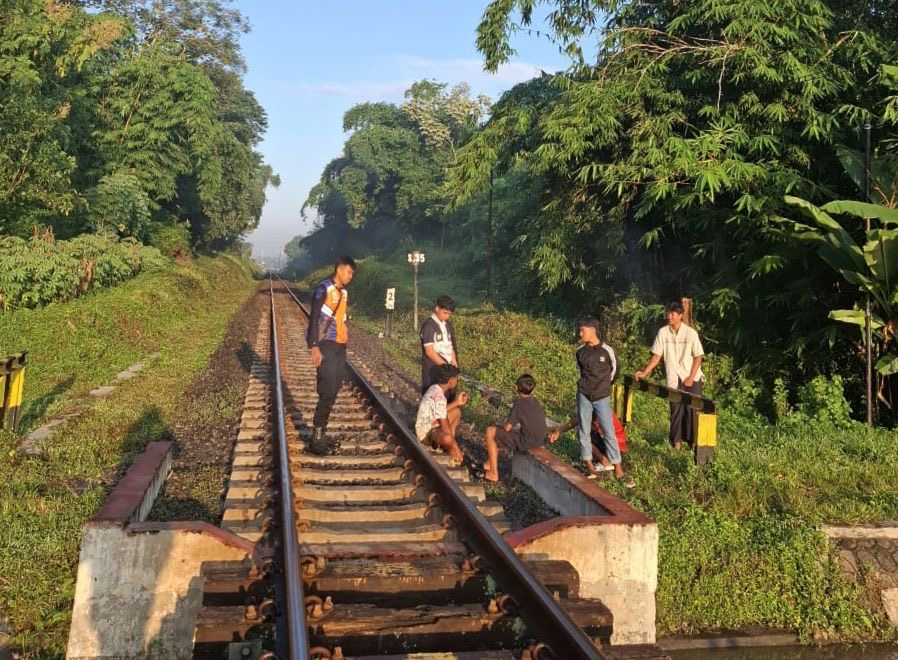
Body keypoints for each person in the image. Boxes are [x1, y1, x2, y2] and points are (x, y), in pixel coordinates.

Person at [634, 300, 705, 450]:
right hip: (674, 377)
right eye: (668, 313)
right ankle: (677, 446)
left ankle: (693, 445)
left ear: (680, 315)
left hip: (692, 376)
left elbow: (698, 357)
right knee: (676, 411)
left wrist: (691, 377)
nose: (669, 316)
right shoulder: (663, 332)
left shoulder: (690, 333)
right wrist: (644, 372)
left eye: (673, 314)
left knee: (692, 412)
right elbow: (656, 357)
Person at [572, 317, 634, 487]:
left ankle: (618, 469)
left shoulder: (607, 351)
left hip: (601, 397)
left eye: (582, 330)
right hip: (584, 395)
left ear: (592, 330)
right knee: (584, 430)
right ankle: (590, 467)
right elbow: (583, 371)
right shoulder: (580, 352)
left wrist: (603, 387)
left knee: (609, 431)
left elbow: (615, 371)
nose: (580, 333)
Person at [306, 255, 357, 455]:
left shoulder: (344, 293)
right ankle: (316, 437)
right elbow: (314, 317)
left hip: (339, 345)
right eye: (349, 272)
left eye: (352, 273)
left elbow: (341, 318)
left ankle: (322, 432)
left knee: (335, 387)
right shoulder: (323, 288)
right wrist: (314, 346)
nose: (351, 276)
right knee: (327, 388)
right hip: (325, 344)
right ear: (339, 269)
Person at [481, 374, 552, 483]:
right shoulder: (535, 401)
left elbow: (508, 427)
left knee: (490, 431)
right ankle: (488, 463)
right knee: (500, 434)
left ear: (516, 388)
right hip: (538, 439)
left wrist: (498, 425)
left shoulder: (518, 404)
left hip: (526, 442)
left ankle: (493, 473)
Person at [415, 364, 468, 463]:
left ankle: (449, 447)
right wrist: (457, 449)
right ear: (451, 381)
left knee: (456, 411)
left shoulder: (435, 388)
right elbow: (445, 426)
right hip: (426, 433)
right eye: (456, 379)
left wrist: (457, 402)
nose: (457, 381)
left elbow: (440, 410)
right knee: (448, 438)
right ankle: (450, 449)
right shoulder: (440, 398)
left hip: (430, 424)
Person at [420, 295, 459, 395]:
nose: (447, 316)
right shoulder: (429, 326)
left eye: (449, 314)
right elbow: (429, 351)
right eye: (445, 313)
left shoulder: (448, 325)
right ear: (437, 308)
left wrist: (453, 364)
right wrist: (446, 368)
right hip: (434, 370)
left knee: (448, 399)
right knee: (434, 397)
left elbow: (451, 346)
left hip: (447, 370)